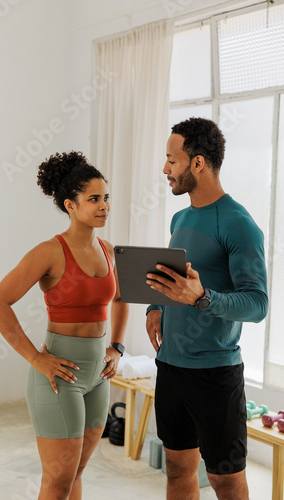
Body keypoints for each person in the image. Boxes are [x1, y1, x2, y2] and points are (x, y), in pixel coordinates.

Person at [0, 151, 128, 500]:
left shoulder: (109, 250)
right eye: (93, 199)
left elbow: (121, 298)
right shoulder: (49, 252)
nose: (103, 206)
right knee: (57, 480)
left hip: (99, 376)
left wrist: (117, 347)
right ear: (70, 205)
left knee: (76, 471)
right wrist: (36, 358)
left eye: (106, 198)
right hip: (59, 375)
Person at [145, 117, 268, 500]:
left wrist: (203, 298)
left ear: (197, 163)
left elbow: (257, 303)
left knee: (225, 481)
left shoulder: (239, 224)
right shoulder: (180, 218)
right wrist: (154, 306)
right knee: (178, 472)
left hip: (215, 375)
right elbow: (174, 279)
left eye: (172, 160)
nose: (165, 169)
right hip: (171, 368)